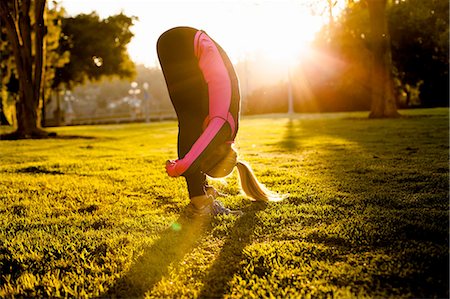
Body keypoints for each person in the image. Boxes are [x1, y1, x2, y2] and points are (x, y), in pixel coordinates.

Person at [157, 26, 279, 217]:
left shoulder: (227, 132)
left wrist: (183, 166)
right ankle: (200, 201)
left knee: (190, 120)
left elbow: (200, 149)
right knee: (190, 121)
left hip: (177, 42)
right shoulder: (223, 127)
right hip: (184, 44)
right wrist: (178, 167)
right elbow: (195, 156)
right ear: (216, 153)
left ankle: (202, 192)